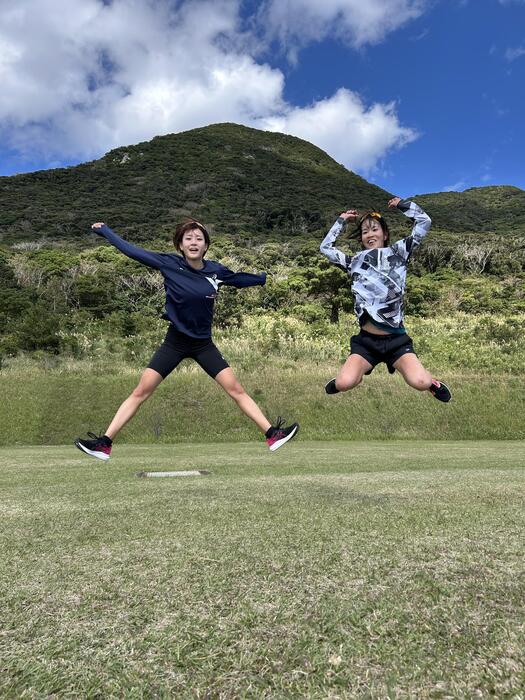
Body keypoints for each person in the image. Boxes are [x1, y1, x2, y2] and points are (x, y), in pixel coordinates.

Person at [75, 219, 299, 460]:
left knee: (236, 390)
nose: (194, 242)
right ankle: (104, 444)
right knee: (141, 391)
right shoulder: (168, 264)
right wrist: (106, 232)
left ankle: (272, 435)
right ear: (180, 245)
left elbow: (238, 279)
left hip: (203, 344)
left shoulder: (216, 271)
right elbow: (133, 251)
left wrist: (262, 278)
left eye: (199, 239)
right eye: (188, 238)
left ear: (205, 246)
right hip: (175, 342)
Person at [320, 197, 451, 402]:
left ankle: (432, 383)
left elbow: (424, 221)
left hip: (396, 341)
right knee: (344, 383)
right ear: (361, 238)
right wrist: (342, 220)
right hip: (366, 341)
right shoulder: (354, 261)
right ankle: (350, 378)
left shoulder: (398, 252)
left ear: (385, 233)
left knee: (420, 383)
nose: (370, 234)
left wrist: (402, 205)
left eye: (374, 229)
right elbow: (326, 248)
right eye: (364, 231)